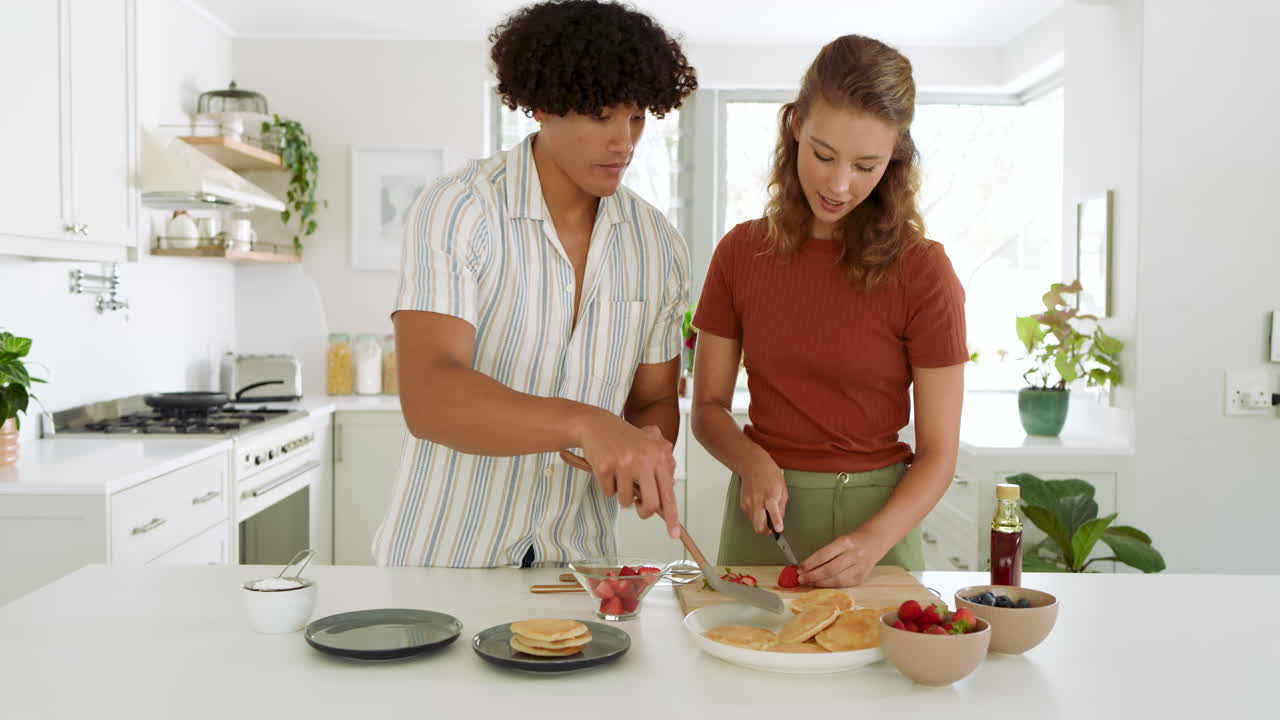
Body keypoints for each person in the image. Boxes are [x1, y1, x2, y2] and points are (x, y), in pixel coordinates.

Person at [373, 0, 697, 569]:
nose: (625, 141)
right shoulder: (459, 209)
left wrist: (646, 449)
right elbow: (429, 395)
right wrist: (587, 423)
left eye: (638, 116)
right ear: (543, 107)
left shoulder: (658, 245)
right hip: (443, 562)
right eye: (601, 114)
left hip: (579, 569)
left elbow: (652, 399)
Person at [690, 34, 966, 588]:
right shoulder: (740, 253)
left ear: (896, 158)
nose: (840, 185)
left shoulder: (924, 270)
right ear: (794, 125)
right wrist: (751, 461)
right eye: (823, 155)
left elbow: (939, 455)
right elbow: (708, 410)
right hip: (764, 524)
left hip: (879, 530)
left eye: (867, 165)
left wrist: (873, 541)